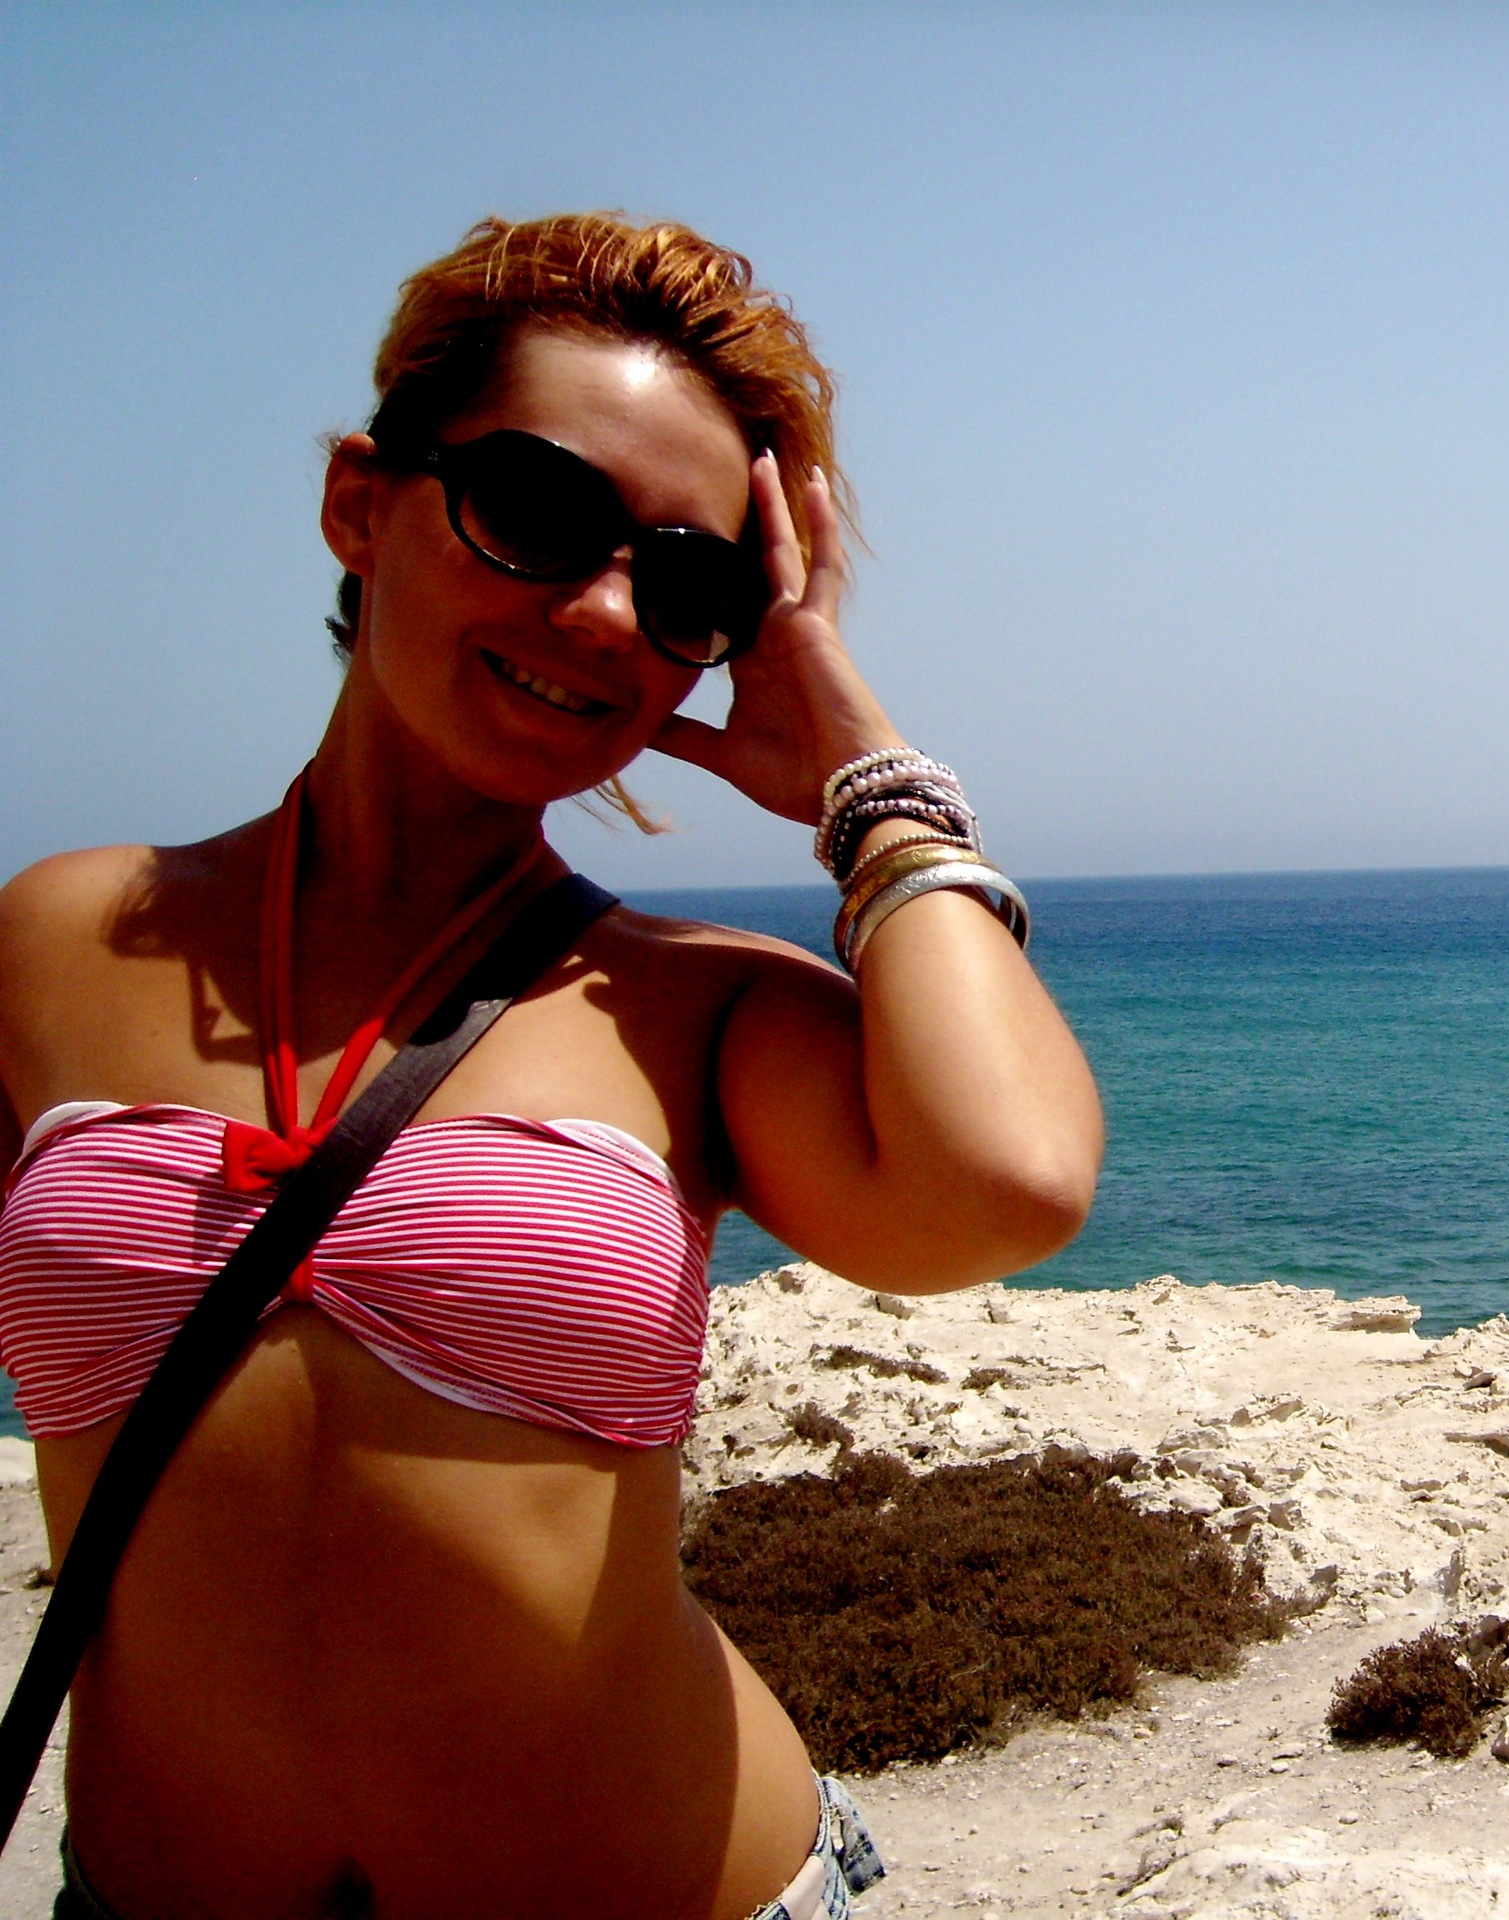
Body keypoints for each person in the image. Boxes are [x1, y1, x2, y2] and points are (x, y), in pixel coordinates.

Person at [0, 212, 1104, 1919]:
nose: (600, 614)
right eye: (533, 511)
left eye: (689, 588)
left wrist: (864, 773)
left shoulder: (690, 1008)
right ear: (361, 503)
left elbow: (1006, 1182)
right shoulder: (61, 939)